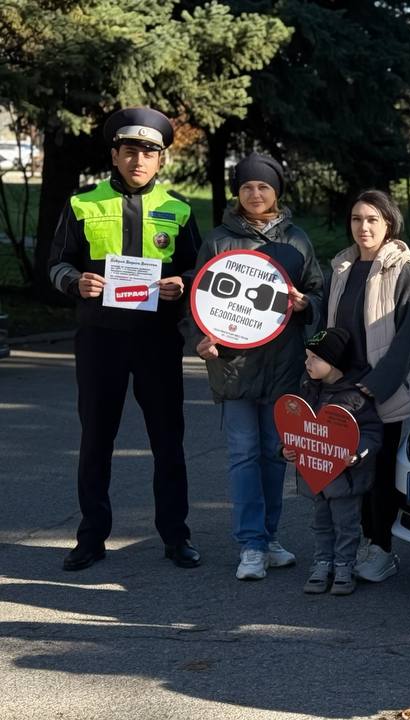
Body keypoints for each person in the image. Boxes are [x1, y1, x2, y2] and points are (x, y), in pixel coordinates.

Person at [48, 107, 202, 571]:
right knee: (96, 438)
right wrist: (77, 283)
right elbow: (56, 265)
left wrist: (184, 283)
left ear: (161, 161)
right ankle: (91, 538)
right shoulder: (82, 203)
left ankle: (176, 537)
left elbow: (199, 270)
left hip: (157, 339)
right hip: (101, 339)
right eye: (130, 150)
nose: (139, 159)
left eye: (149, 152)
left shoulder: (179, 209)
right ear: (115, 155)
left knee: (167, 441)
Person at [192, 154, 325, 581]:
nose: (255, 194)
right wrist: (202, 340)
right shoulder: (217, 241)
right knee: (243, 455)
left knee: (274, 455)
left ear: (276, 192)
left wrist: (307, 305)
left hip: (283, 367)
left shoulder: (298, 241)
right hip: (233, 368)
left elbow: (319, 294)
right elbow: (197, 304)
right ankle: (250, 544)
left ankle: (269, 539)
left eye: (263, 187)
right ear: (238, 192)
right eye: (247, 186)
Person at [326, 190, 410, 583]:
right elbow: (333, 329)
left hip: (382, 389)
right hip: (344, 390)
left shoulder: (401, 268)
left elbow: (409, 336)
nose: (363, 227)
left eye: (372, 219)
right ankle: (357, 543)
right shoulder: (342, 267)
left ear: (388, 224)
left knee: (381, 475)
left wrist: (374, 387)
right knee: (351, 472)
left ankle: (381, 549)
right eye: (356, 219)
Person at [287, 328, 383, 595]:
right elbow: (295, 427)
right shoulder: (308, 389)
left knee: (346, 524)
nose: (307, 363)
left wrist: (358, 453)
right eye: (306, 356)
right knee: (320, 523)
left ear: (335, 362)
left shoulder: (355, 397)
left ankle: (344, 566)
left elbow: (372, 432)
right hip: (314, 474)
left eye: (314, 358)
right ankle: (322, 563)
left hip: (345, 477)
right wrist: (286, 449)